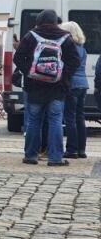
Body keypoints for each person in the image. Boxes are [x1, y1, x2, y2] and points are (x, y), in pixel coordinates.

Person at [12, 10, 79, 167]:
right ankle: (55, 158)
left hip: (34, 87)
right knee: (55, 120)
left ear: (39, 20)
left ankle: (31, 156)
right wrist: (62, 75)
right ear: (56, 21)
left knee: (34, 121)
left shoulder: (31, 35)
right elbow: (74, 61)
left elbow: (18, 57)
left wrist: (30, 72)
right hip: (57, 88)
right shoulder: (65, 37)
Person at [60, 21, 88, 159]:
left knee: (69, 118)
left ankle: (71, 149)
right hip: (83, 84)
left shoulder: (70, 48)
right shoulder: (82, 48)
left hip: (73, 84)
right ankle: (81, 149)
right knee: (80, 117)